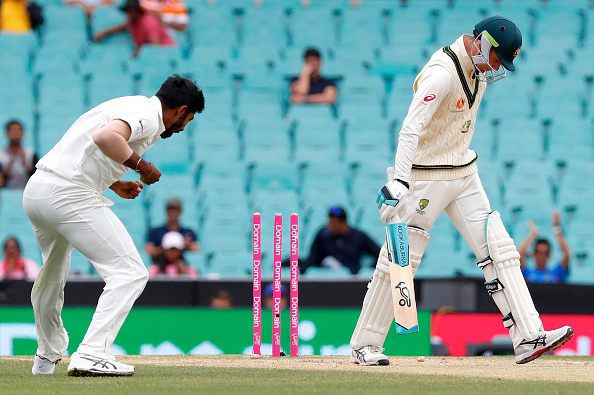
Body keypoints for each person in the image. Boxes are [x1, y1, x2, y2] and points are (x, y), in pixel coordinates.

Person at [349, 16, 573, 366]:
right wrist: (400, 181)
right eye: (498, 57)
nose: (498, 67)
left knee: (500, 249)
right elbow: (411, 128)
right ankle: (365, 345)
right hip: (425, 176)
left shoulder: (479, 71)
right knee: (401, 259)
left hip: (465, 172)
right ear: (481, 42)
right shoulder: (441, 73)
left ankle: (529, 336)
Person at [23, 74, 204, 376]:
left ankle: (46, 356)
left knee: (52, 276)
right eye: (188, 119)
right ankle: (92, 352)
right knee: (131, 272)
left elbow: (86, 149)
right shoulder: (148, 115)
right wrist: (142, 165)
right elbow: (106, 138)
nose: (184, 127)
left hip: (39, 191)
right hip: (69, 194)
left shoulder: (132, 105)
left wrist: (114, 183)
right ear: (181, 110)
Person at [301, 206, 380, 275]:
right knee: (328, 261)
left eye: (334, 223)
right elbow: (312, 257)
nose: (330, 226)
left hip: (351, 278)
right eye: (329, 222)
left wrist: (369, 267)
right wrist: (303, 271)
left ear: (343, 223)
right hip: (327, 278)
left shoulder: (357, 236)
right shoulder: (322, 235)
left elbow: (378, 253)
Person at [93, 0, 175, 57]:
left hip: (166, 53)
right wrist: (104, 33)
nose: (129, 13)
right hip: (153, 54)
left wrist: (139, 54)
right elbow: (122, 27)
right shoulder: (133, 22)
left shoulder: (148, 21)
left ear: (137, 11)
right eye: (128, 11)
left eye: (132, 11)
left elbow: (155, 46)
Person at [518, 211, 570, 283]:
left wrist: (556, 228)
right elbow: (519, 256)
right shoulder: (527, 273)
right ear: (533, 254)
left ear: (549, 255)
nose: (542, 256)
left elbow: (567, 255)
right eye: (539, 252)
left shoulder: (556, 273)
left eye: (545, 253)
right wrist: (533, 233)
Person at [145, 197, 199, 266]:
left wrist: (187, 246)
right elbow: (149, 250)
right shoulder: (155, 231)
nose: (173, 213)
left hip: (182, 268)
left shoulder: (188, 232)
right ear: (166, 211)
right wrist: (165, 248)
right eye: (170, 210)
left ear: (180, 212)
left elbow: (197, 249)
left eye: (175, 210)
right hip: (160, 267)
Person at [0, 120, 38, 189]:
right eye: (12, 130)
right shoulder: (1, 155)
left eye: (18, 130)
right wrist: (8, 167)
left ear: (23, 133)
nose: (16, 133)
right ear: (6, 133)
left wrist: (26, 166)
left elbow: (37, 177)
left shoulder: (30, 154)